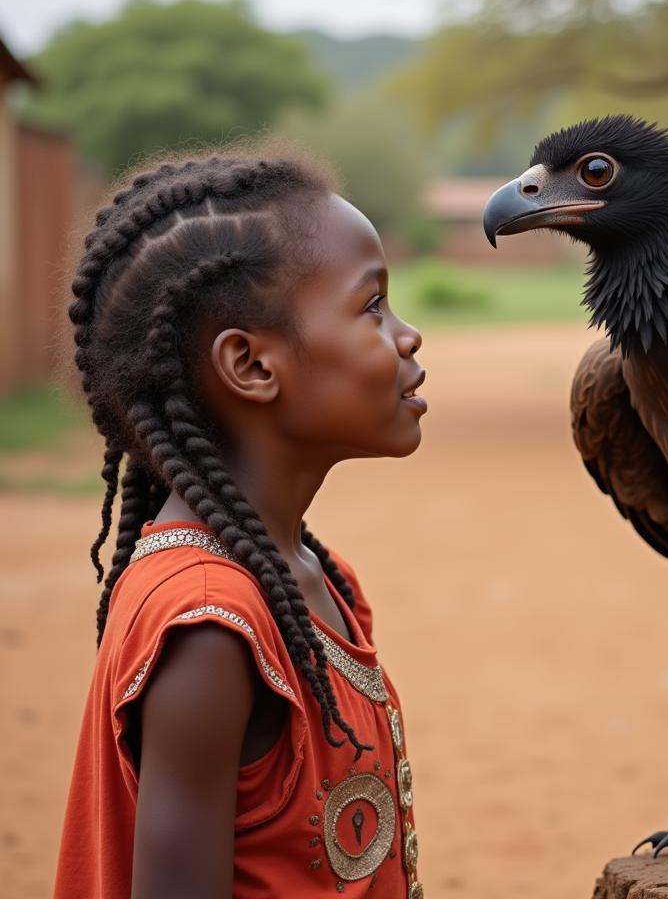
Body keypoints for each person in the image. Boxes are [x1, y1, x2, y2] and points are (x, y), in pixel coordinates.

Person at [53, 152, 427, 899]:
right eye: (371, 307)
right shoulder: (208, 625)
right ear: (251, 366)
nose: (408, 335)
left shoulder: (318, 579)